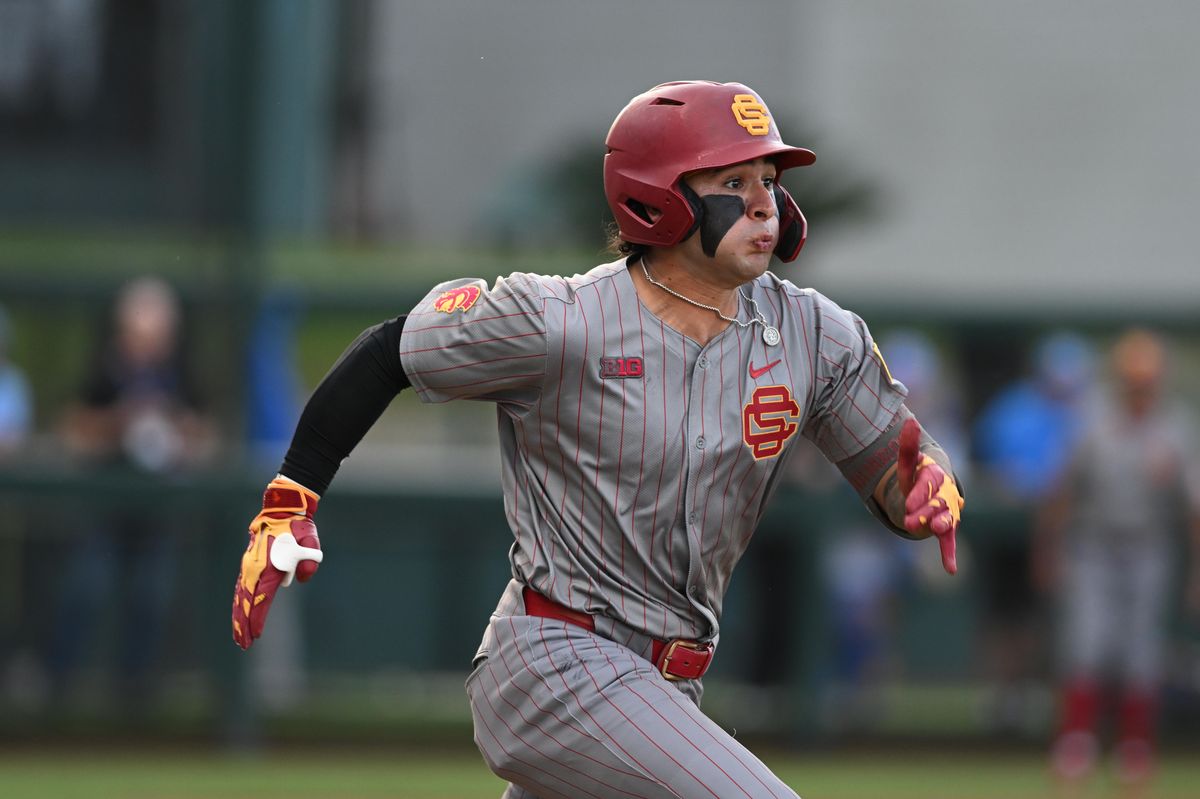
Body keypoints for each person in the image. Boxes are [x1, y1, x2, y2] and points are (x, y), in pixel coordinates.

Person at [231, 81, 965, 797]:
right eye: (734, 180)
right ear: (659, 195)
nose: (764, 202)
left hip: (665, 686)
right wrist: (289, 497)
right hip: (552, 661)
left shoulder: (813, 333)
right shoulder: (560, 321)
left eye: (769, 177)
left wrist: (926, 486)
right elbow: (390, 350)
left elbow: (898, 476)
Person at [1035, 328, 1200, 788]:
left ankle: (1135, 747)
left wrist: (1197, 573)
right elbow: (1061, 489)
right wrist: (1049, 549)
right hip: (1094, 541)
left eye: (1147, 381)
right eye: (1133, 379)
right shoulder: (1093, 418)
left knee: (1141, 649)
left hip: (1149, 543)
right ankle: (1077, 744)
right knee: (1087, 642)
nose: (1140, 388)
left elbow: (1193, 508)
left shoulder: (1175, 425)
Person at [51, 276, 216, 708]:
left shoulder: (180, 374)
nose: (146, 344)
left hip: (159, 509)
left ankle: (135, 703)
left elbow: (206, 437)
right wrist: (119, 422)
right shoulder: (103, 370)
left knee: (152, 597)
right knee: (87, 587)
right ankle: (58, 694)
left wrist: (176, 426)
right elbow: (73, 432)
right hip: (105, 506)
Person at [972, 331, 1094, 733]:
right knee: (1006, 616)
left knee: (1062, 621)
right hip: (1012, 536)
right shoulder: (1015, 407)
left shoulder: (1089, 413)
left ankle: (1048, 698)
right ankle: (1004, 698)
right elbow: (986, 465)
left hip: (1074, 536)